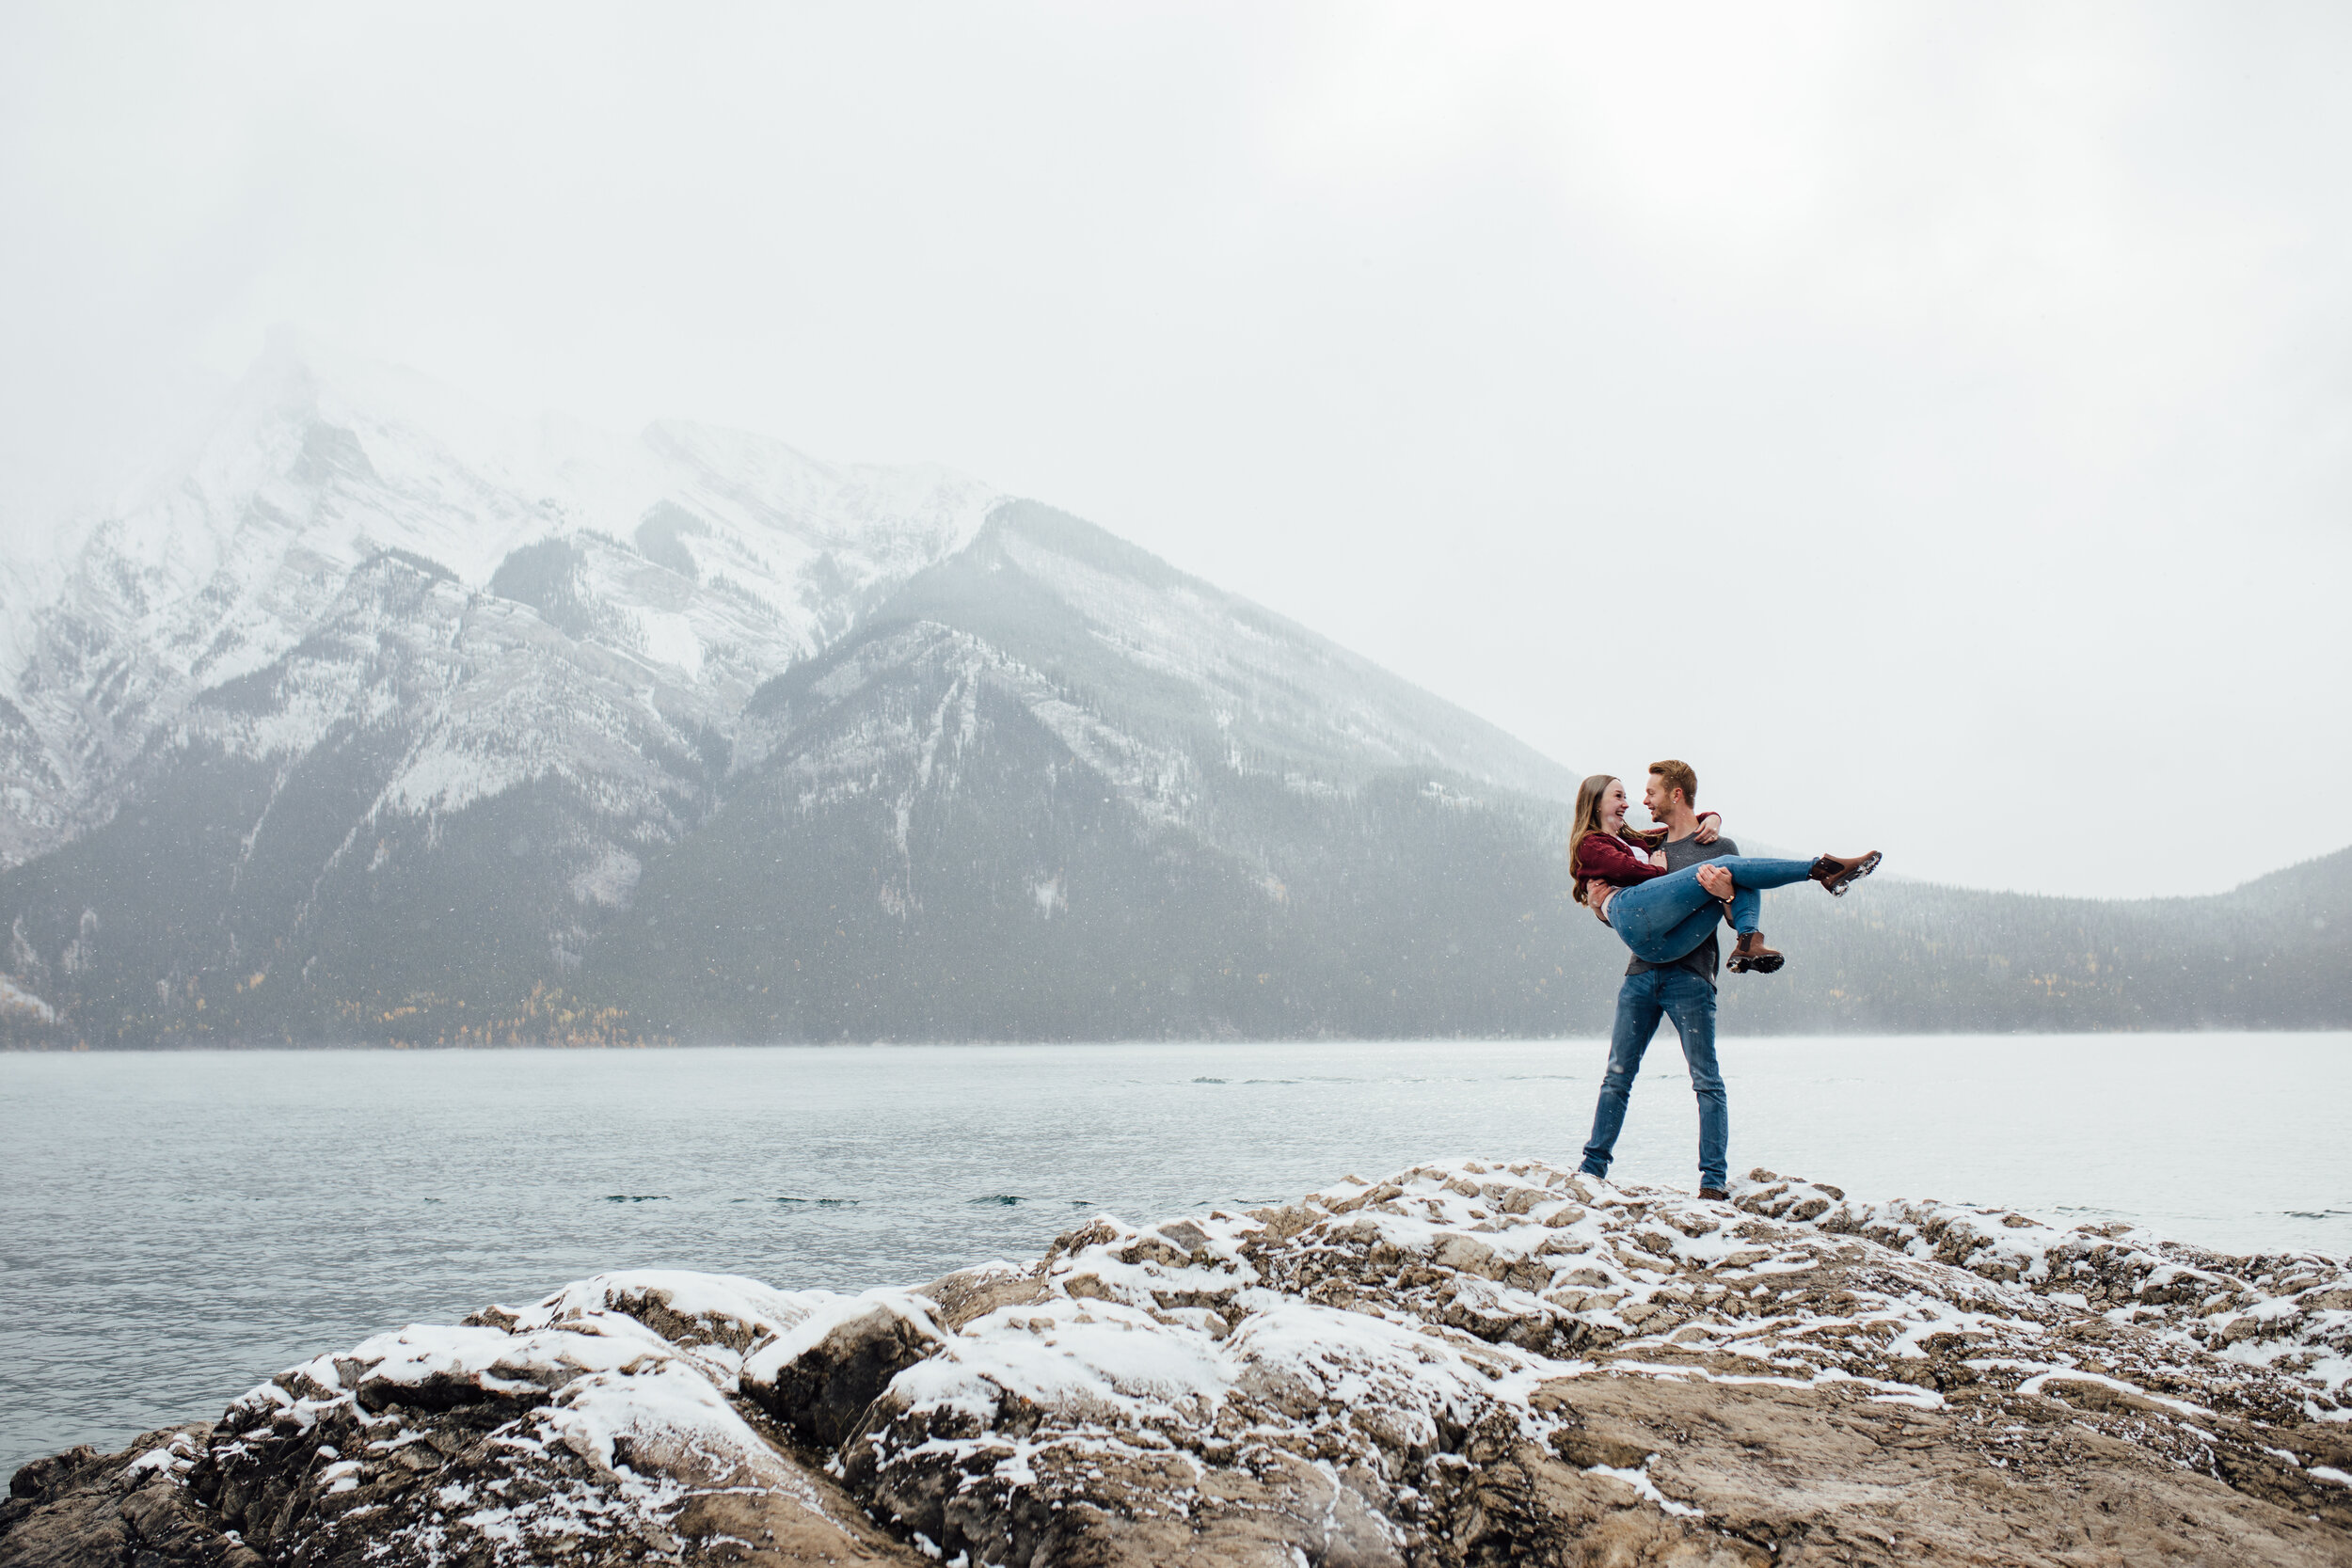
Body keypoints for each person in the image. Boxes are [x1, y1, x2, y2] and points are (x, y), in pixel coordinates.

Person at [1571, 764, 1879, 1201]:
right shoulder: (1648, 845)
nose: (1643, 801)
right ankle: (1591, 1170)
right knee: (1617, 1074)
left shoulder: (1717, 846)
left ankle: (1712, 1183)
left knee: (1706, 1080)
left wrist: (1728, 895)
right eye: (1633, 794)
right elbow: (1619, 894)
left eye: (1650, 792)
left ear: (1675, 795)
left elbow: (1732, 903)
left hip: (1692, 973)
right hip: (1642, 971)